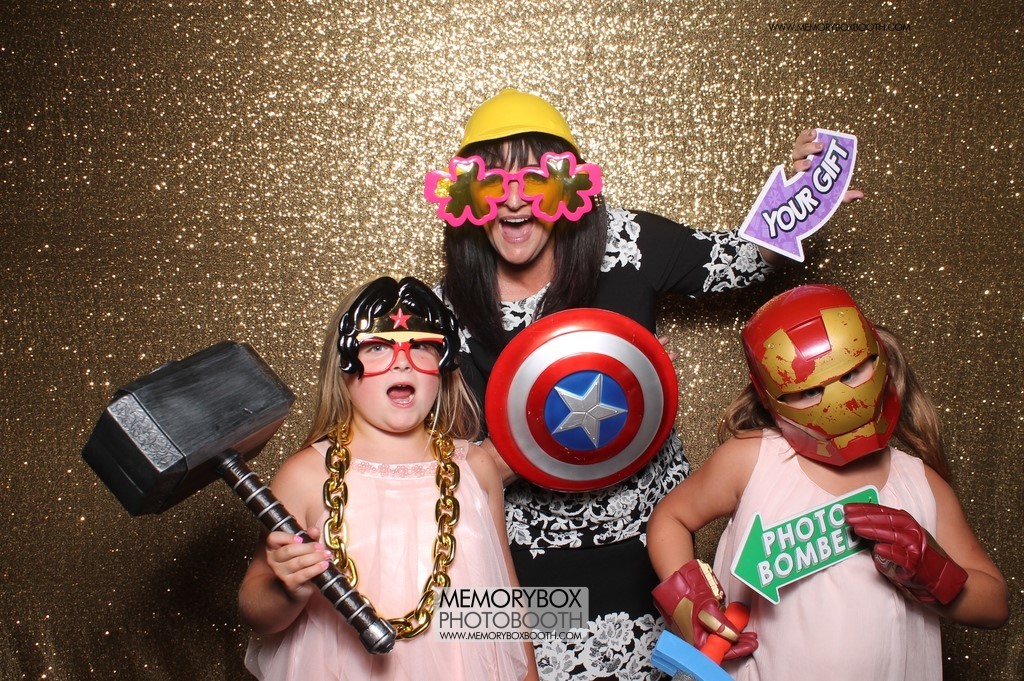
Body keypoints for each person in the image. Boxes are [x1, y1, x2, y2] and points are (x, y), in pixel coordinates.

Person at [426, 89, 857, 679]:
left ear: (571, 186)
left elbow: (742, 261)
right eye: (492, 183)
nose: (516, 200)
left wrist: (803, 197)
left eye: (536, 179)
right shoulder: (445, 306)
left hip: (650, 542)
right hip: (530, 561)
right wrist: (507, 458)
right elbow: (437, 449)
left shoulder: (625, 243)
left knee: (670, 668)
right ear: (465, 197)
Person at [647, 283, 1009, 680]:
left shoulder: (919, 483)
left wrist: (934, 572)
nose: (841, 404)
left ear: (879, 355)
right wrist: (691, 602)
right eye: (808, 392)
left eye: (852, 373)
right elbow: (671, 518)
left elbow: (995, 605)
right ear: (768, 395)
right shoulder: (754, 459)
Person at [238, 276, 537, 680]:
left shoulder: (475, 467)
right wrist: (286, 589)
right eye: (377, 347)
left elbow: (503, 598)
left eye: (421, 346)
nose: (401, 361)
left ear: (443, 365)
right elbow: (256, 612)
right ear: (343, 365)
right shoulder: (304, 475)